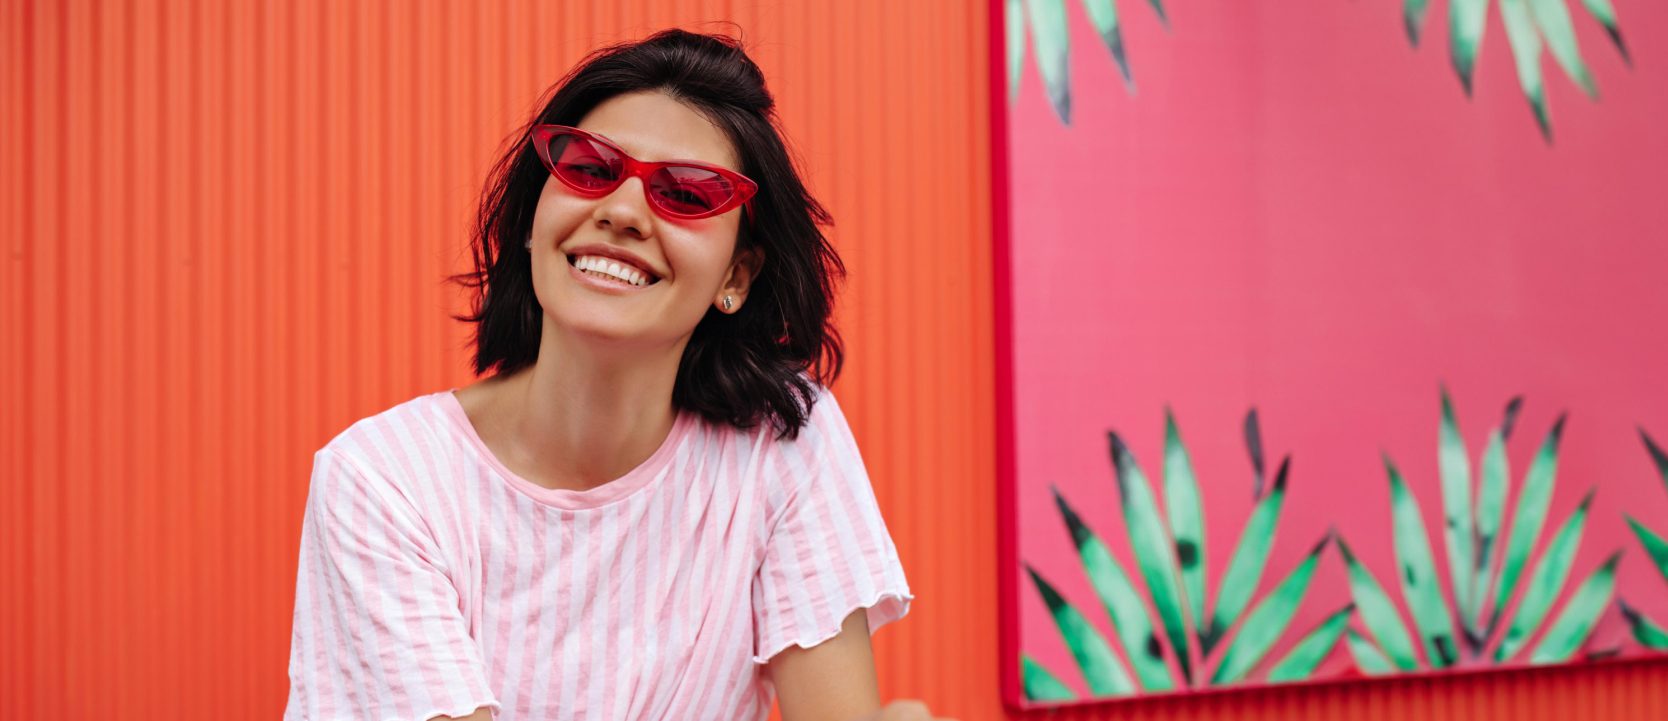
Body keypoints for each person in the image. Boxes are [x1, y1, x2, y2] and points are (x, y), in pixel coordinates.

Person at [282, 28, 951, 721]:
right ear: (534, 220)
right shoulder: (384, 483)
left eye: (686, 194)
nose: (623, 212)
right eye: (590, 170)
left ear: (736, 274)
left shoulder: (780, 436)